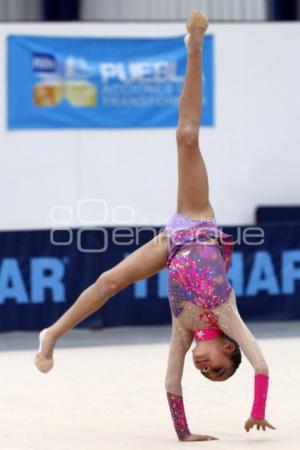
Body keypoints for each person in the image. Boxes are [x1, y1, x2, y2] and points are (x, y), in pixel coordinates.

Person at [34, 10, 275, 441]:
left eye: (208, 376)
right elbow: (262, 364)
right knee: (187, 136)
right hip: (197, 221)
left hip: (171, 247)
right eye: (219, 368)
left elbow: (170, 383)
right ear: (227, 347)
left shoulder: (183, 332)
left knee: (109, 281)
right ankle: (195, 44)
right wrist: (257, 408)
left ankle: (51, 334)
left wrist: (184, 434)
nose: (207, 370)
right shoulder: (228, 316)